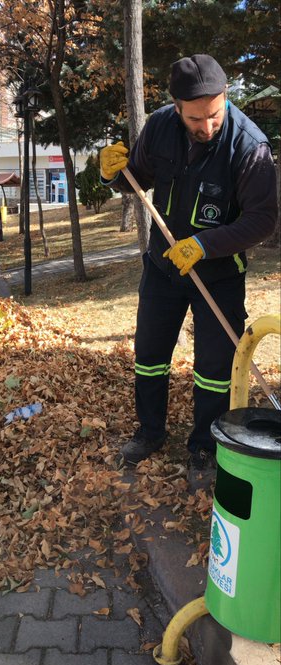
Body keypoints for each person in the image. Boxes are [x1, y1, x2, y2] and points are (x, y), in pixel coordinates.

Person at [100, 54, 277, 490]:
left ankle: (204, 447)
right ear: (176, 107)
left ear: (226, 99)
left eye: (215, 114)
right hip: (163, 266)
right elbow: (135, 178)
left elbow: (263, 219)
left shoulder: (249, 146)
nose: (208, 126)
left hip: (218, 273)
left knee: (215, 367)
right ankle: (150, 432)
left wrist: (204, 245)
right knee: (150, 355)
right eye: (196, 118)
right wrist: (113, 175)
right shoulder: (160, 127)